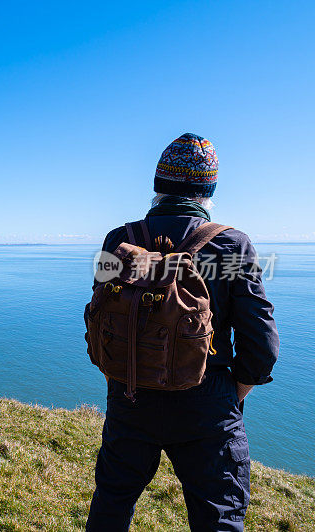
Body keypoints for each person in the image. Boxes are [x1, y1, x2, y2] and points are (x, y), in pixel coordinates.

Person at [85, 133, 279, 531]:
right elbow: (261, 339)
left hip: (130, 393)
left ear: (158, 186)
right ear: (208, 190)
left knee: (113, 502)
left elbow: (98, 313)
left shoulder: (118, 240)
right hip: (206, 399)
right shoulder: (231, 244)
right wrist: (236, 390)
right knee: (218, 516)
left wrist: (120, 374)